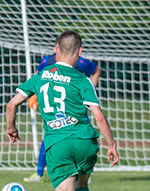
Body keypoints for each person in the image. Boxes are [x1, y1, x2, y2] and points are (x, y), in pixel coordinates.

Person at [6, 30, 119, 191]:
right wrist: (111, 144)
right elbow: (99, 116)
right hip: (84, 139)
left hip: (57, 143)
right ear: (80, 51)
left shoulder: (41, 75)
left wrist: (11, 128)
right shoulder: (82, 80)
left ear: (57, 50)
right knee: (83, 185)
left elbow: (11, 104)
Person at [24, 35, 101, 183]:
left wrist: (90, 94)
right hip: (55, 108)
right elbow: (38, 77)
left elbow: (96, 71)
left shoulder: (79, 62)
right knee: (49, 135)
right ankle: (39, 173)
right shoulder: (47, 61)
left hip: (75, 107)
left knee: (80, 135)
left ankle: (82, 171)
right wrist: (34, 96)